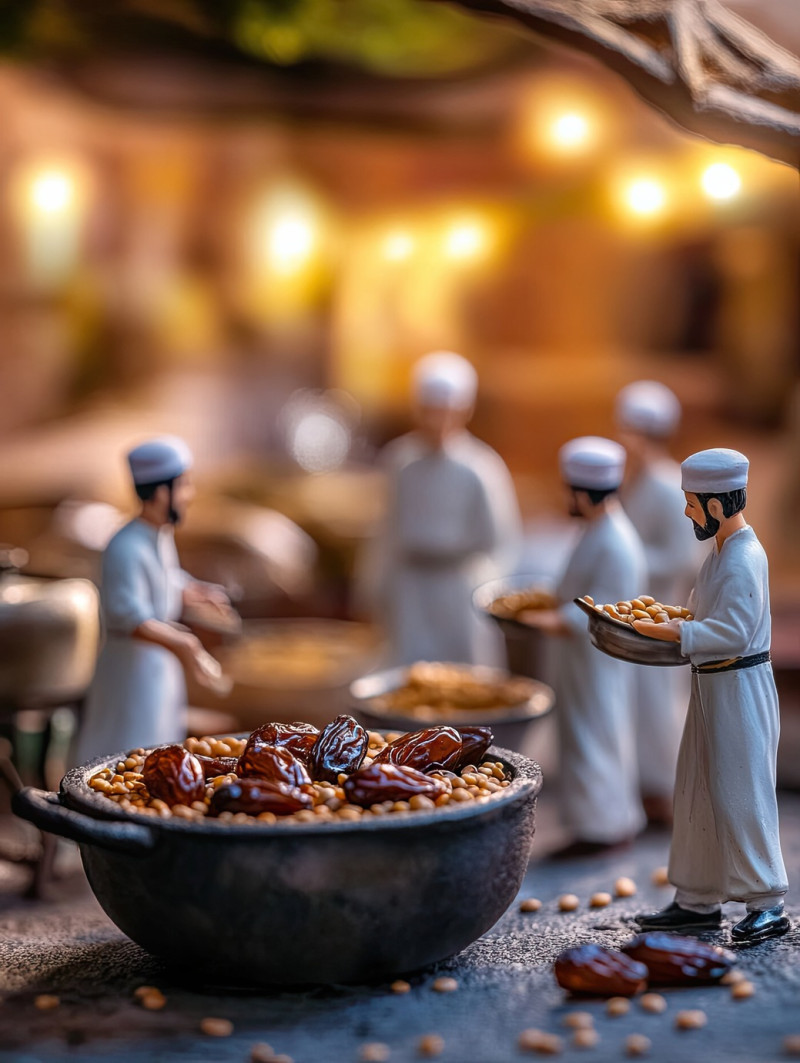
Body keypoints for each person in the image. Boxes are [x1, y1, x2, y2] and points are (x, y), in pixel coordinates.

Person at [634, 448, 789, 943]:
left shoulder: (744, 556)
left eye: (692, 503)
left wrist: (670, 634)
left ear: (716, 506)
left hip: (739, 688)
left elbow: (733, 632)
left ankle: (767, 900)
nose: (687, 513)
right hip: (711, 685)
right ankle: (697, 899)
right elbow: (704, 614)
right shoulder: (719, 552)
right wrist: (673, 618)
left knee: (740, 795)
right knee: (698, 790)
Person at [522, 437, 646, 856]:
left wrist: (551, 618)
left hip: (597, 659)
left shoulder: (614, 541)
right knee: (581, 736)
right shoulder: (597, 531)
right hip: (581, 661)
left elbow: (606, 608)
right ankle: (590, 822)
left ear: (581, 494)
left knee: (596, 736)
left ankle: (605, 825)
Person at [74, 436, 231, 764]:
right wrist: (184, 643)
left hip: (158, 670)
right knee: (127, 749)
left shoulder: (158, 536)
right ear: (161, 492)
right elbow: (128, 615)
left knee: (160, 743)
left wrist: (196, 591)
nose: (190, 495)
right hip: (132, 672)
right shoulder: (125, 547)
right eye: (184, 485)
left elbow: (167, 579)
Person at [361, 351, 521, 666]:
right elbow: (385, 530)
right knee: (407, 669)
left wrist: (490, 595)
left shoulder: (480, 468)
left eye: (447, 412)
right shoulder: (401, 462)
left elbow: (501, 541)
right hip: (411, 586)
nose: (439, 422)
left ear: (465, 411)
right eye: (431, 411)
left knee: (464, 670)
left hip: (459, 589)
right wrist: (372, 586)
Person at [615, 381, 700, 826]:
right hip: (637, 615)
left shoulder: (668, 487)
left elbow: (683, 554)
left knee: (660, 704)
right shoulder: (637, 485)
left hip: (662, 612)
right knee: (639, 702)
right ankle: (644, 785)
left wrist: (626, 560)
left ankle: (666, 788)